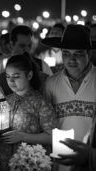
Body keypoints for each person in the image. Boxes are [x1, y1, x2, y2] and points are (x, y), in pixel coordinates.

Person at [0, 53, 56, 171]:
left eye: (16, 76)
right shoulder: (5, 100)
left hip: (29, 161)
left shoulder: (41, 102)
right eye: (8, 77)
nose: (11, 81)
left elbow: (51, 137)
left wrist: (22, 136)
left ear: (29, 75)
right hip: (3, 157)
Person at [42, 24, 96, 171]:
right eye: (66, 53)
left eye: (78, 54)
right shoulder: (51, 84)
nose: (71, 60)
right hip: (60, 162)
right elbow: (46, 125)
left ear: (88, 54)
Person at [0, 25, 52, 95]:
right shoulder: (2, 64)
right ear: (11, 45)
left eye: (29, 46)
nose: (26, 49)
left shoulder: (42, 65)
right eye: (22, 46)